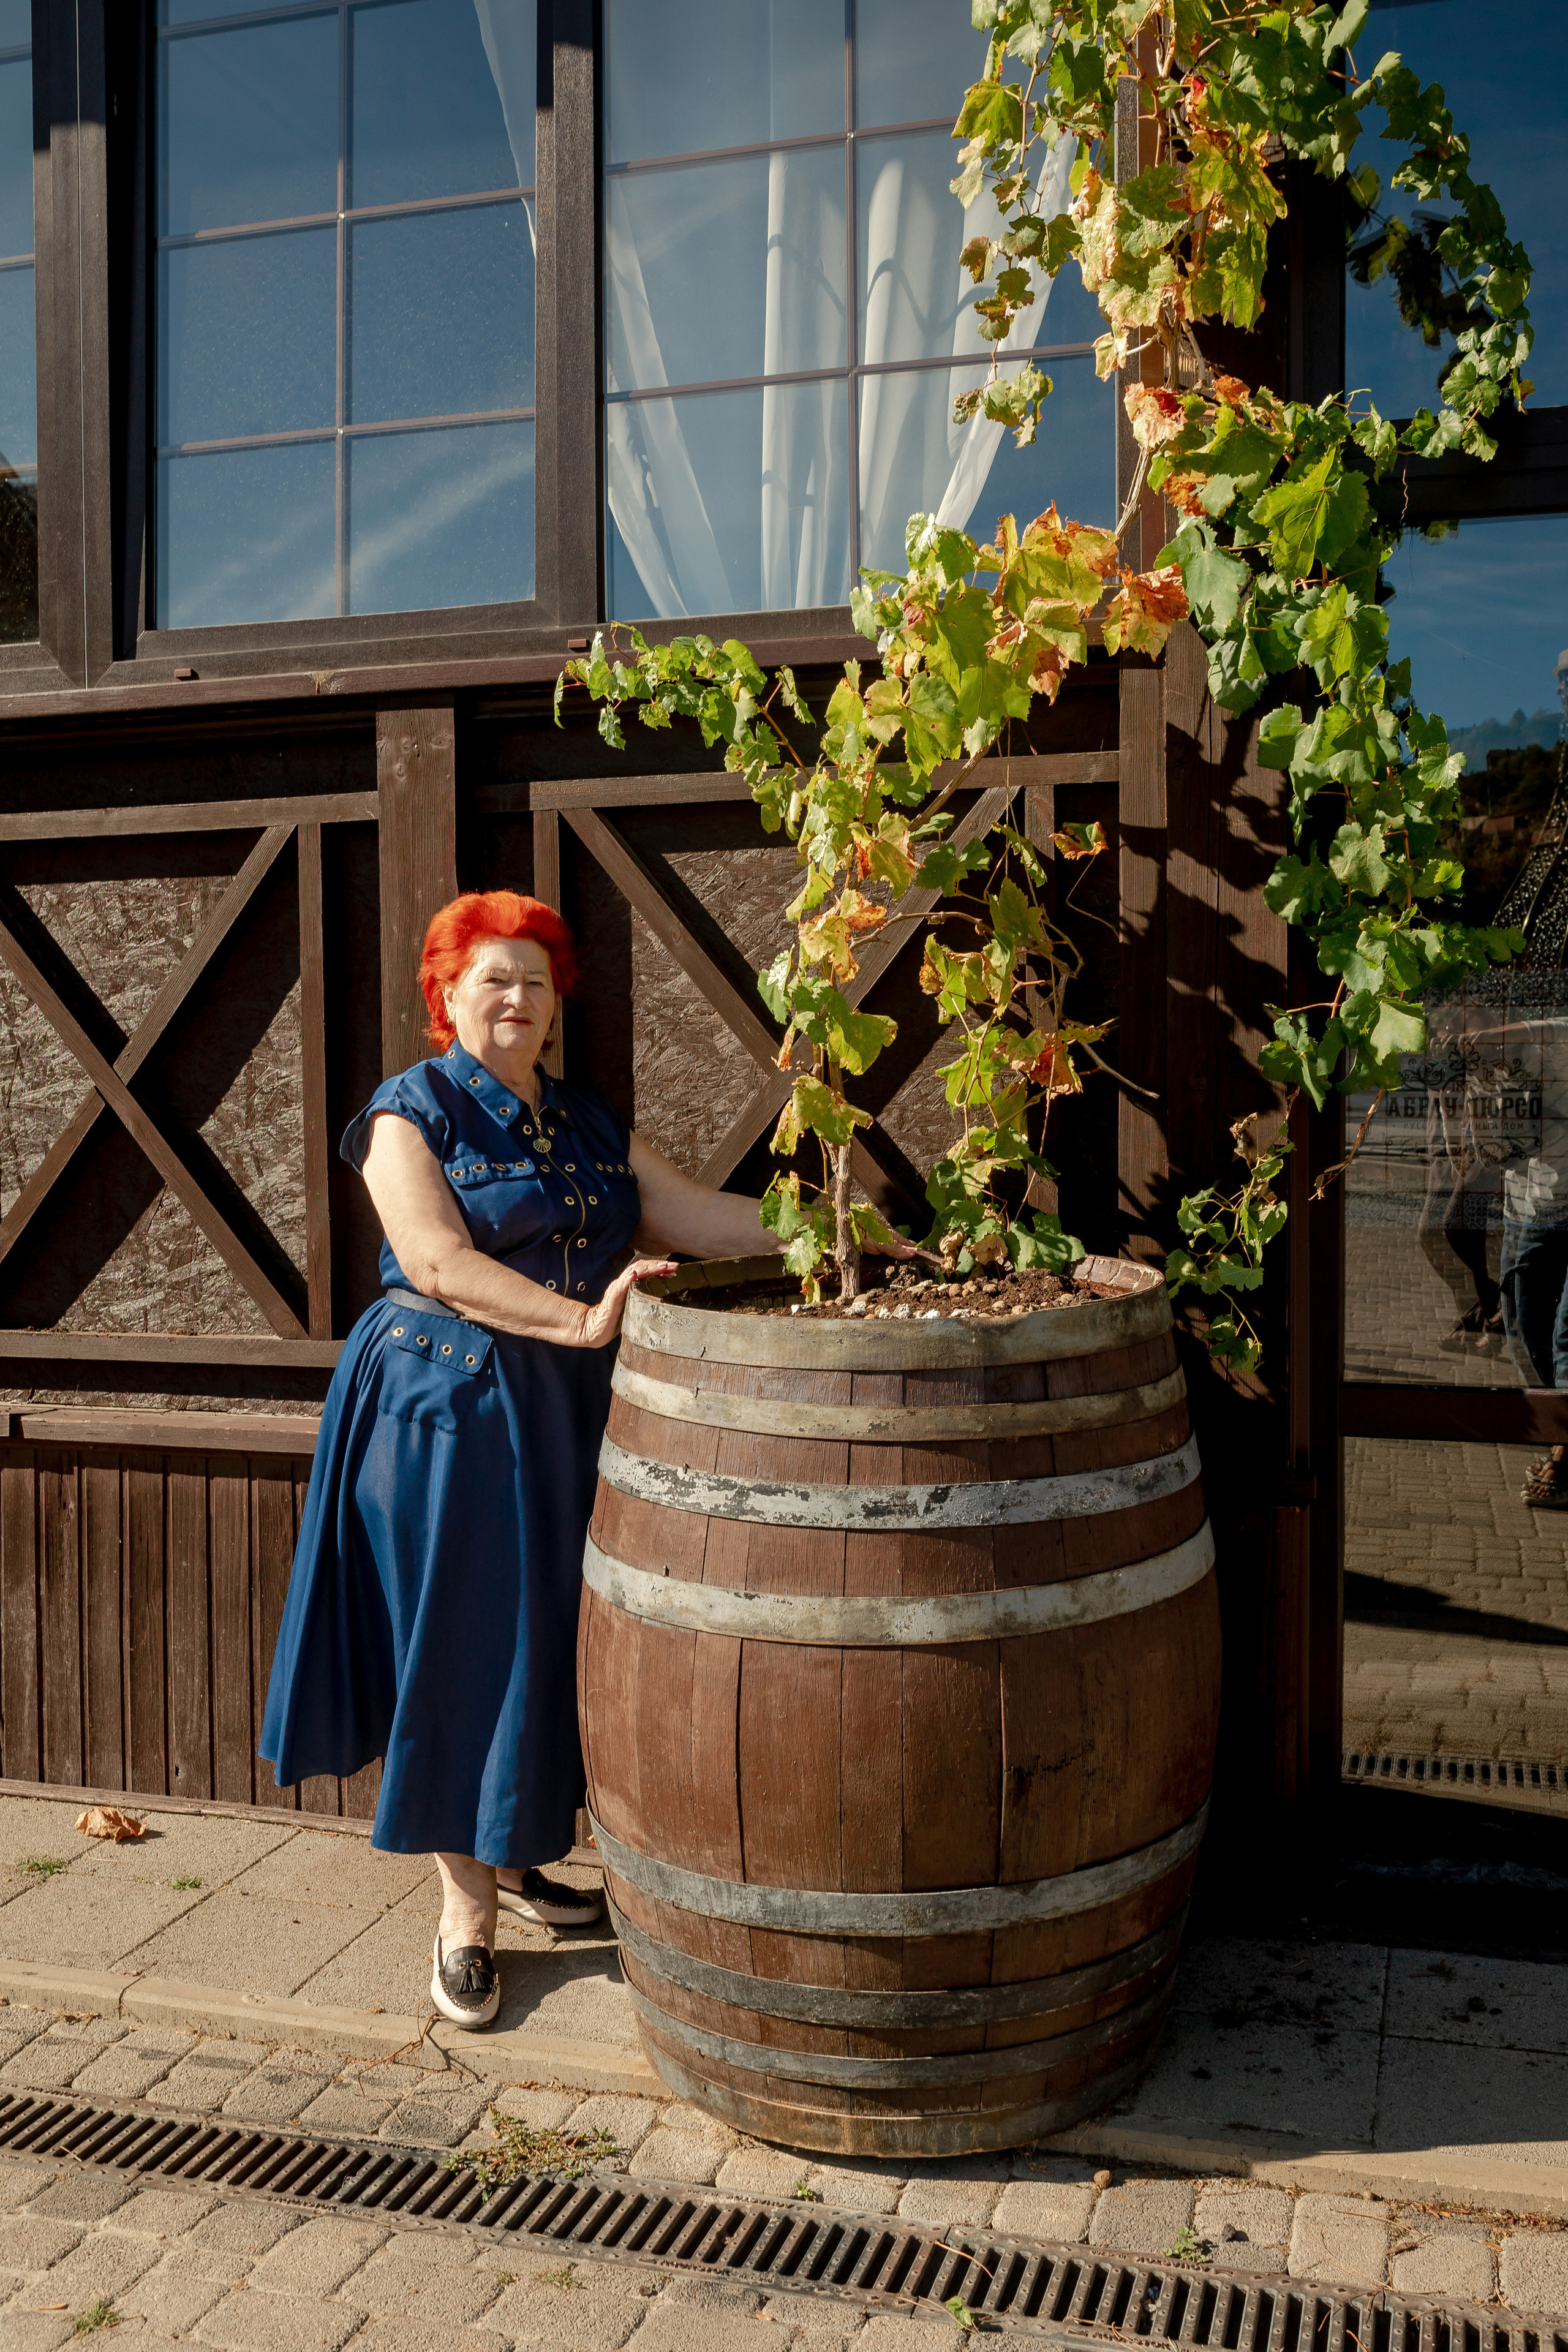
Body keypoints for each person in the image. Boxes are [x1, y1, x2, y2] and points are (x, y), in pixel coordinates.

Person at [258, 891, 783, 2027]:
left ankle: (520, 1851)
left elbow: (693, 1217)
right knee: (463, 1644)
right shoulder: (407, 1114)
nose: (517, 997)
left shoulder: (584, 1118)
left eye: (536, 981)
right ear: (446, 996)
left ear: (555, 1007)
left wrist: (837, 1229)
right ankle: (466, 1916)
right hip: (442, 1408)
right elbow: (437, 1261)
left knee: (549, 1635)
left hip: (562, 1404)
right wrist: (580, 1319)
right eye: (493, 978)